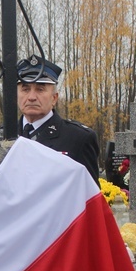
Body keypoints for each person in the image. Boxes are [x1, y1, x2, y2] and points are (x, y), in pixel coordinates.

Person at [16, 54, 100, 183]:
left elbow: (90, 195)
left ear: (54, 98)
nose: (31, 97)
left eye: (40, 89)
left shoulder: (78, 138)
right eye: (25, 89)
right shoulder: (1, 136)